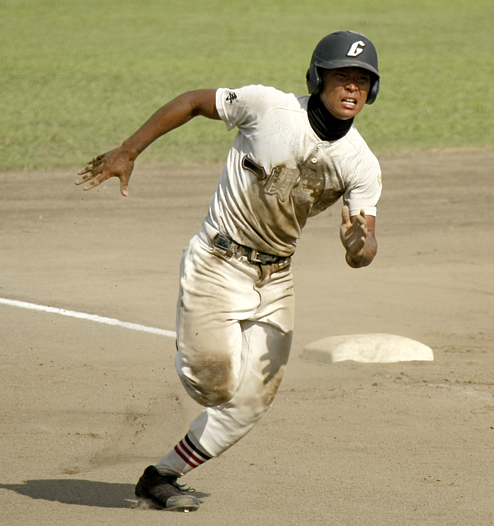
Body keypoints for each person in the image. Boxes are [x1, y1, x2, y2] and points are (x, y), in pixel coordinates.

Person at [75, 30, 382, 512]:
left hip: (276, 279)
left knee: (252, 400)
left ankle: (160, 475)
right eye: (343, 76)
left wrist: (358, 246)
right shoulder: (269, 108)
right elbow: (195, 101)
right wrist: (130, 149)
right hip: (218, 262)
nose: (352, 88)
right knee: (215, 384)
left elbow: (362, 246)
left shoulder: (361, 163)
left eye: (363, 81)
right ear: (318, 79)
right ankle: (196, 341)